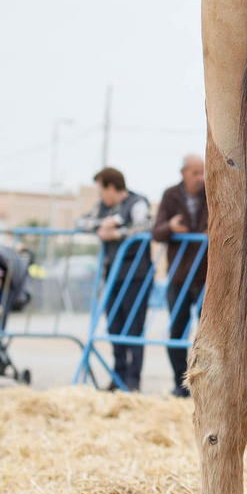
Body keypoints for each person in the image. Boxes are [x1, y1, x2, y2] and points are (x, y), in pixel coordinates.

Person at [76, 167, 153, 392]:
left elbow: (145, 226)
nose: (100, 195)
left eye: (101, 190)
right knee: (114, 327)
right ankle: (118, 377)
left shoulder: (137, 202)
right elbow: (80, 222)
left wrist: (117, 233)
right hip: (112, 275)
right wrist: (101, 225)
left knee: (134, 328)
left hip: (136, 275)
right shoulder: (103, 207)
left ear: (111, 187)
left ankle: (133, 380)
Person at [150, 155, 208, 397]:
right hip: (179, 276)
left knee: (208, 336)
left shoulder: (211, 190)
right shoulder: (170, 195)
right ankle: (180, 383)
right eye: (195, 173)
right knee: (177, 331)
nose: (200, 177)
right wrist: (170, 227)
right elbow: (156, 232)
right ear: (183, 172)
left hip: (207, 275)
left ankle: (206, 387)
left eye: (202, 172)